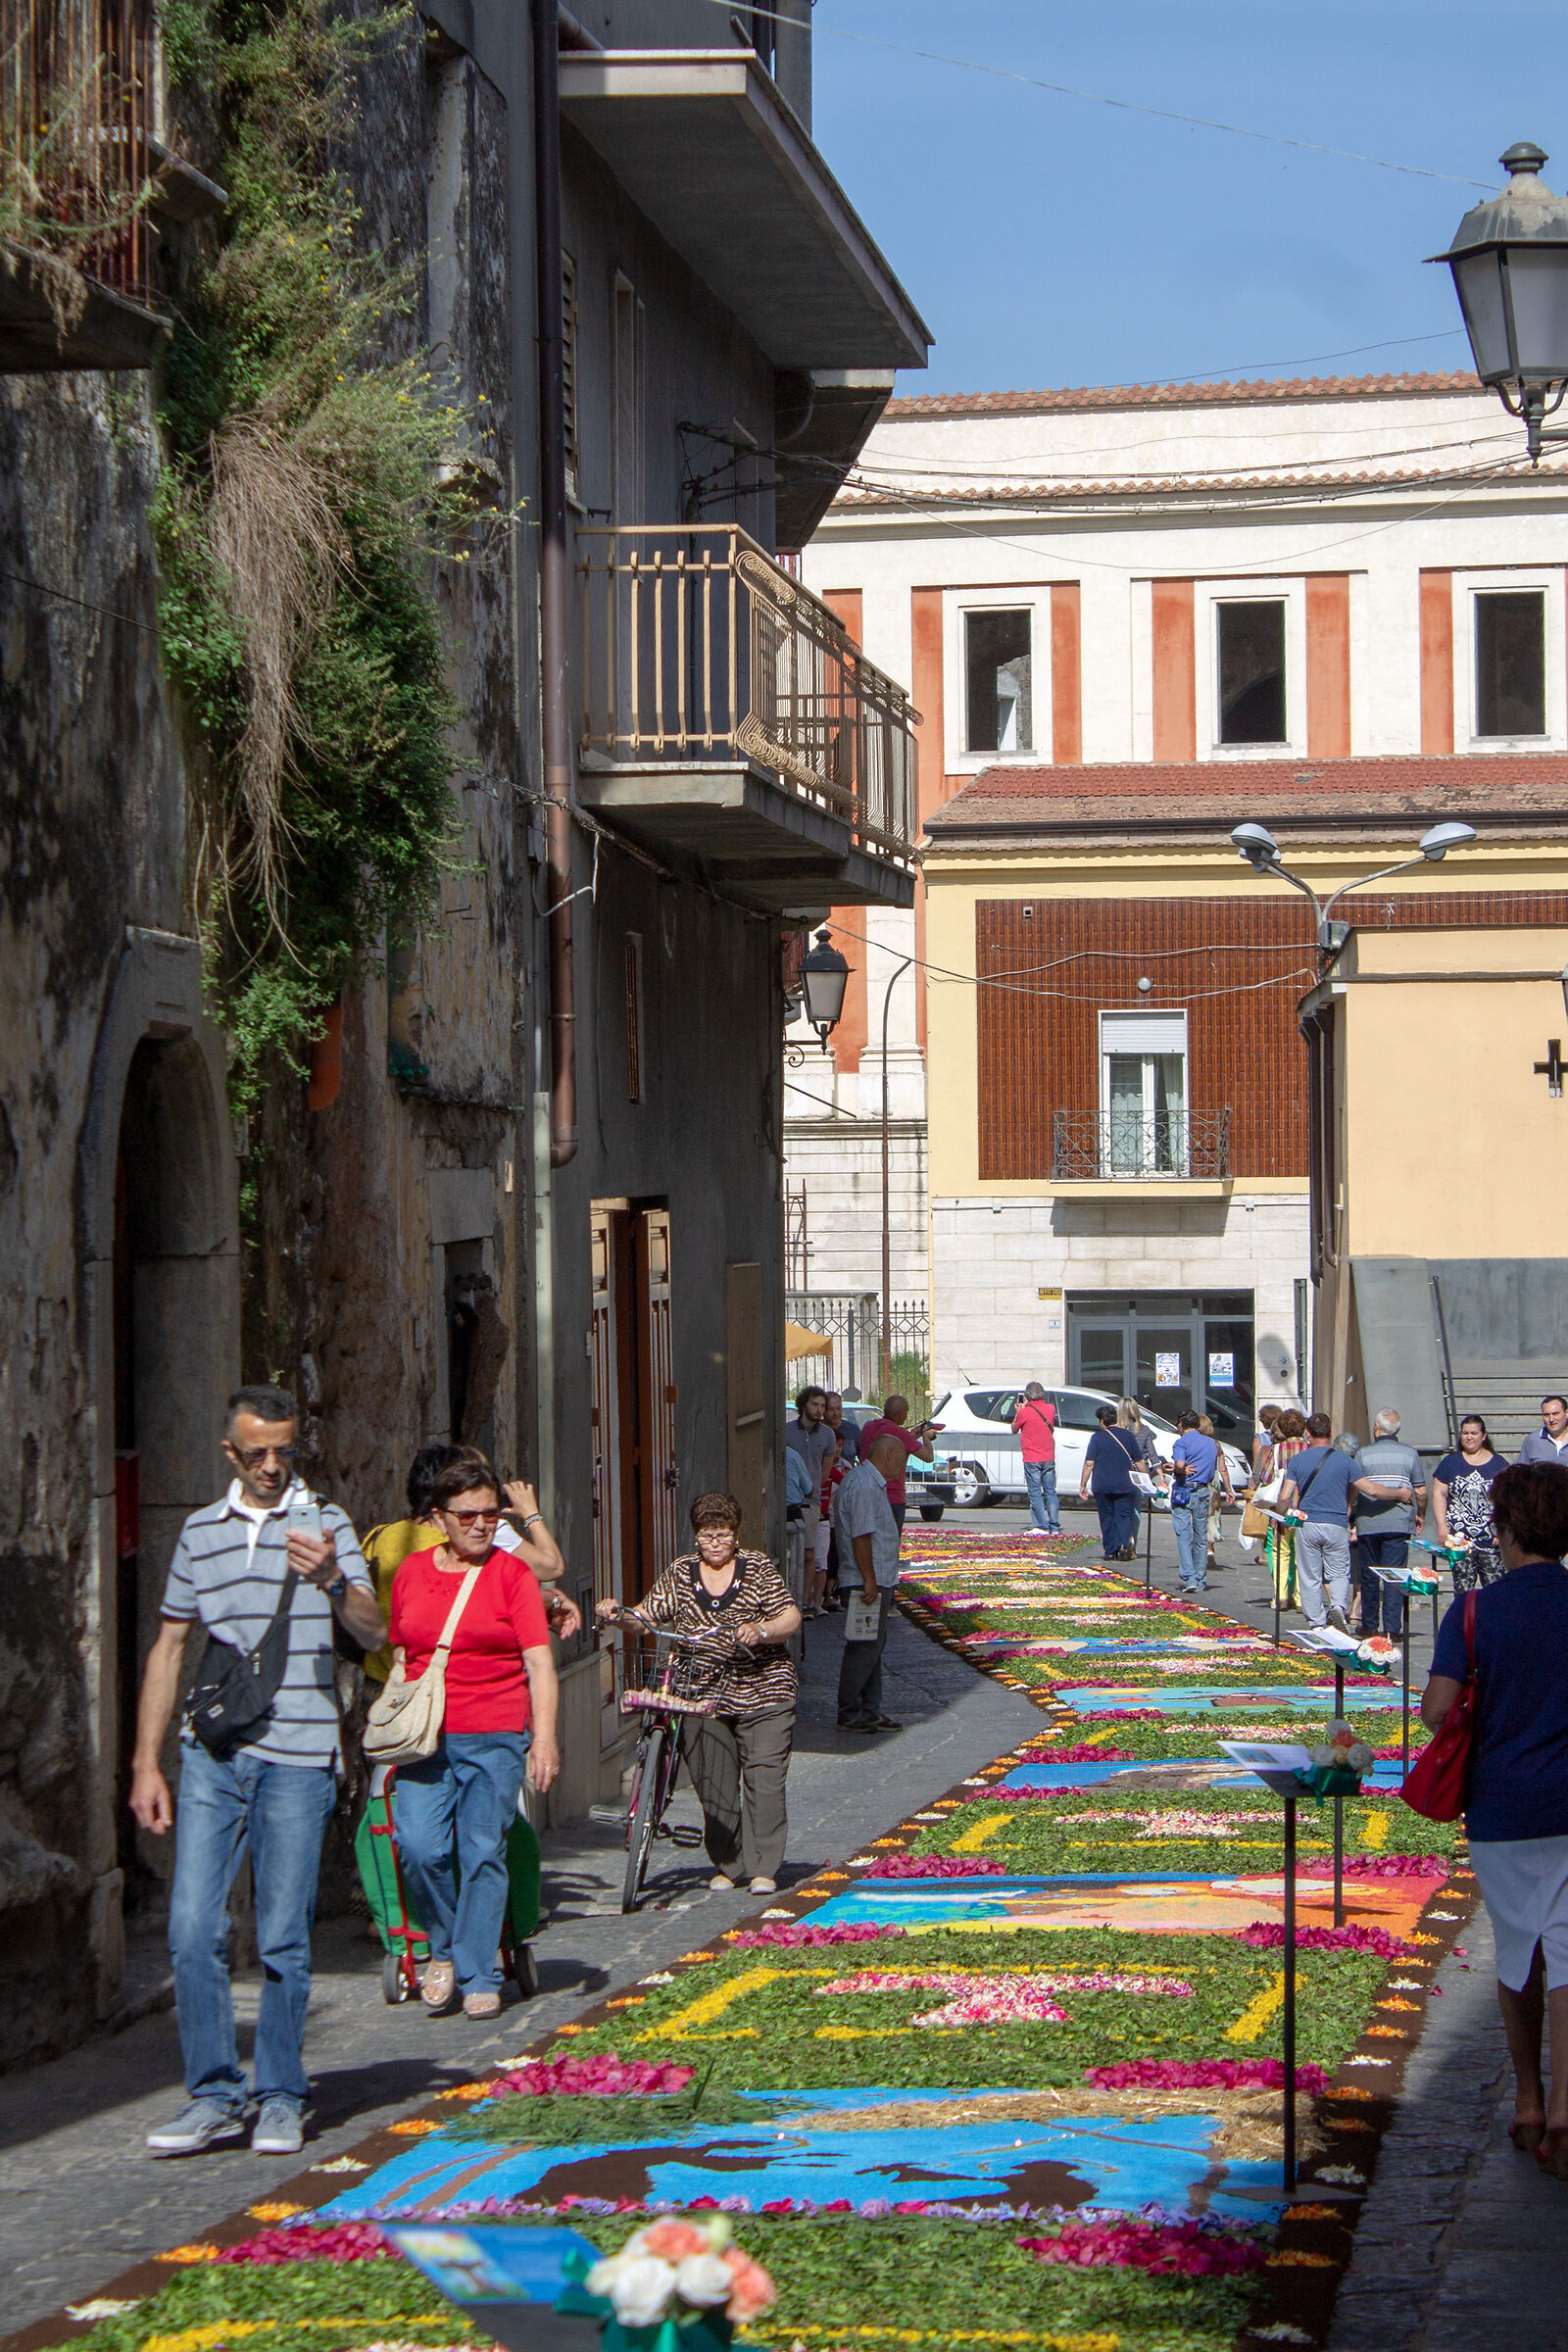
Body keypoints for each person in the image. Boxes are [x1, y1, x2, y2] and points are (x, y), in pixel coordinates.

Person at [131, 1386, 385, 2159]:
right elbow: (170, 1647)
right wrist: (146, 1763)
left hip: (301, 1758)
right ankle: (212, 2094)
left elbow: (378, 1630)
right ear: (230, 1454)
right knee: (191, 1930)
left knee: (281, 1936)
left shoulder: (329, 1524)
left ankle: (279, 2094)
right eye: (258, 1453)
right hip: (212, 1753)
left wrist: (336, 1582)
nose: (274, 1466)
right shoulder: (200, 1534)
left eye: (285, 1451)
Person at [1421, 1462, 1568, 2175]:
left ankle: (1531, 2101)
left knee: (1519, 1954)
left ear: (1506, 1531)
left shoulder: (1475, 1611)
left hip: (1503, 1806)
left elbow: (1437, 1712)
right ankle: (1567, 2108)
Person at [388, 1455, 560, 2019]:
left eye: (490, 1514)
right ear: (439, 1518)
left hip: (495, 1733)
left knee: (482, 1849)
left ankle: (479, 1970)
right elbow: (401, 1649)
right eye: (469, 1516)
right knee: (418, 1846)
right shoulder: (412, 1572)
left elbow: (539, 1664)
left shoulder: (512, 1576)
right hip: (425, 1738)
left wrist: (544, 1740)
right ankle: (442, 1946)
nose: (483, 1525)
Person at [596, 1493, 800, 1894]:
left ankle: (764, 1867)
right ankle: (730, 1861)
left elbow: (789, 1615)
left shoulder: (757, 1568)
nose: (716, 1543)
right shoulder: (681, 1572)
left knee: (765, 1779)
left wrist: (761, 1632)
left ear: (736, 1535)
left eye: (723, 1535)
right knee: (713, 1784)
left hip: (764, 1689)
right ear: (696, 1537)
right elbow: (646, 1617)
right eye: (708, 1536)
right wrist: (619, 1615)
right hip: (701, 1693)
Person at [363, 1445, 580, 1682]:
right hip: (435, 1691)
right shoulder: (453, 1551)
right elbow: (494, 1609)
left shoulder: (378, 1537)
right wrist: (553, 1598)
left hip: (379, 1685)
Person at [835, 1433, 907, 1733]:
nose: (902, 1469)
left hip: (874, 1577)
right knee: (863, 1646)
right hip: (865, 1580)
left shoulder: (866, 1481)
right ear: (889, 1455)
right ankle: (850, 1710)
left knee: (872, 1645)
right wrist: (869, 1580)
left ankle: (870, 1709)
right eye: (902, 1462)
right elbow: (861, 1535)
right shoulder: (864, 1484)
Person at [1278, 1411, 1356, 1632]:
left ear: (1307, 1433)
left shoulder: (1298, 1459)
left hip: (1308, 1522)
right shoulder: (1345, 1460)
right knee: (1339, 1571)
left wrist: (1282, 1516)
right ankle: (1339, 1606)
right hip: (1336, 1523)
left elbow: (1285, 1496)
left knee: (1310, 1574)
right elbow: (1363, 1486)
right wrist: (1396, 1494)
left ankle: (1316, 1621)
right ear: (1331, 1432)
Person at [1353, 1408, 1427, 1638]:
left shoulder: (1362, 1454)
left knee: (1369, 1576)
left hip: (1368, 1522)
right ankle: (1392, 1629)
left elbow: (1355, 1488)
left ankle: (1369, 1625)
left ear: (1377, 1427)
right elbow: (1421, 1491)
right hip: (1398, 1522)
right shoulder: (1410, 1454)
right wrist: (1420, 1513)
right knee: (1394, 1575)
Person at [1433, 1414, 1509, 1592]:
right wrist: (1442, 1526)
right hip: (1459, 1541)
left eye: (1474, 1433)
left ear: (1484, 1435)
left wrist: (1503, 1530)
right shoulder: (1450, 1463)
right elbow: (1439, 1493)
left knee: (1495, 1591)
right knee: (1462, 1590)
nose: (1469, 1437)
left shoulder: (1499, 1464)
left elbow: (1508, 1500)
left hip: (1490, 1540)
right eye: (1465, 1433)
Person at [1170, 1409, 1233, 1595]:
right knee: (1200, 1535)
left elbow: (1180, 1465)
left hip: (1184, 1488)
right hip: (1203, 1490)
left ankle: (1188, 1576)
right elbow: (1214, 1468)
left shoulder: (1180, 1442)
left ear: (1182, 1424)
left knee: (1183, 1533)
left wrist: (1178, 1470)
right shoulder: (1211, 1443)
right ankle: (1200, 1578)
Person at [1261, 1406, 1310, 1612]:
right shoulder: (1309, 1450)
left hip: (1282, 1507)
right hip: (1304, 1508)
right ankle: (1300, 1598)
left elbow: (1266, 1477)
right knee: (1302, 1554)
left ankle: (1281, 1595)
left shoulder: (1277, 1450)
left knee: (1280, 1552)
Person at [1078, 1403, 1141, 1562]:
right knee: (1124, 1517)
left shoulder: (1097, 1438)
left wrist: (1083, 1484)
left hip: (1103, 1485)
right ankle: (1123, 1545)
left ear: (1102, 1421)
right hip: (1125, 1484)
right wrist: (1145, 1480)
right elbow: (1139, 1462)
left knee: (1107, 1518)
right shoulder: (1128, 1436)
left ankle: (1110, 1551)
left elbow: (1089, 1463)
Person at [784, 1387, 836, 1567]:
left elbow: (826, 1470)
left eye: (822, 1406)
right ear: (804, 1404)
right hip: (787, 1500)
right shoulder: (786, 1431)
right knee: (789, 1553)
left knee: (809, 1555)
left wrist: (814, 1488)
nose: (819, 1410)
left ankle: (806, 1596)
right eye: (815, 1404)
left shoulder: (828, 1434)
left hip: (812, 1499)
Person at [1116, 1398, 1163, 1559]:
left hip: (1120, 1473)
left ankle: (1120, 1542)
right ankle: (1132, 1543)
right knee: (1135, 1511)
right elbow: (1153, 1456)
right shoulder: (1144, 1430)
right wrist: (1161, 1477)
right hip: (1138, 1475)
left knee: (1120, 1510)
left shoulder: (1115, 1431)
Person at [1012, 1382, 1059, 1534]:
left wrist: (1018, 1412)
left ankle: (1041, 1525)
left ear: (1027, 1396)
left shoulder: (1024, 1412)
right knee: (1050, 1491)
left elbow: (1014, 1428)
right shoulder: (1051, 1409)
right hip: (1048, 1455)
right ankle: (1054, 1525)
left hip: (1032, 1456)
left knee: (1035, 1492)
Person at [1519, 1396, 1568, 1465]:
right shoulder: (1533, 1440)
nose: (1551, 1419)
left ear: (1566, 1413)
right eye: (1546, 1415)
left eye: (1555, 1414)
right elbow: (1521, 1472)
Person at [1251, 1405, 1282, 1484]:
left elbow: (1257, 1463)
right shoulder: (1283, 1436)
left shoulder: (1259, 1439)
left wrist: (1253, 1481)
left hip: (1266, 1478)